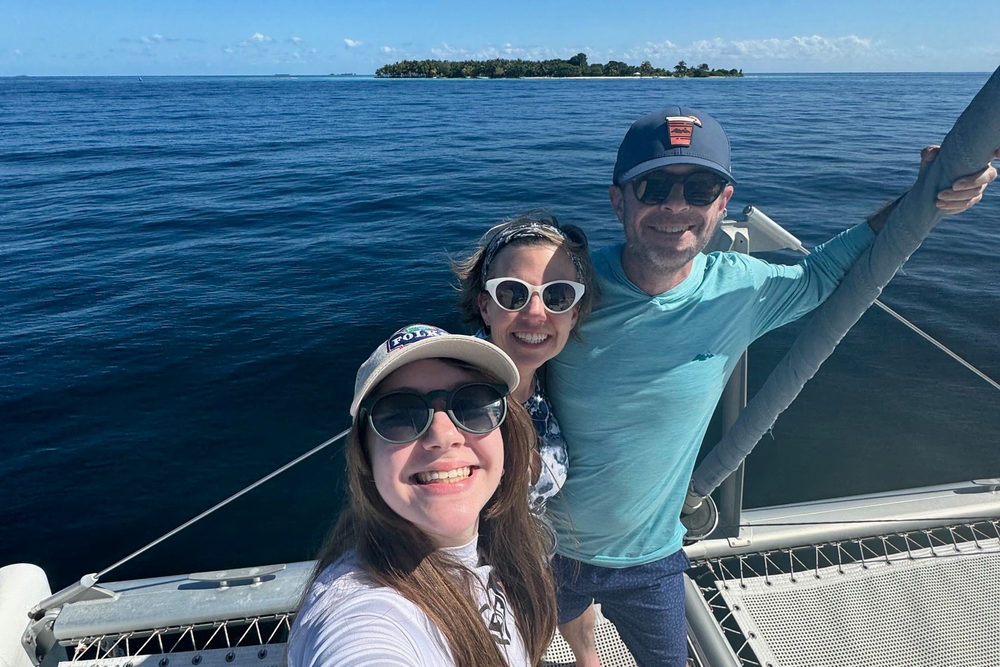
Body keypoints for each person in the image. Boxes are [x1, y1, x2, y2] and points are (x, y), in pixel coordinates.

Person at [542, 107, 1000, 667]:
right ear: (619, 201)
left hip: (651, 555)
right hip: (543, 544)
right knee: (557, 637)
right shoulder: (567, 287)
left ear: (723, 202)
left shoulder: (743, 289)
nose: (675, 207)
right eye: (654, 187)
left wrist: (927, 192)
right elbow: (494, 341)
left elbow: (824, 273)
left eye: (700, 188)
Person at [288, 324, 557, 667]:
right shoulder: (362, 611)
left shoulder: (501, 545)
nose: (444, 436)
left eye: (473, 403)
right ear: (366, 456)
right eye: (401, 414)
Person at [452, 211, 601, 663]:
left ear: (574, 314)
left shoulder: (543, 380)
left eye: (557, 296)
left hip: (533, 569)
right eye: (513, 293)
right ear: (485, 305)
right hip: (471, 598)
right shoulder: (455, 398)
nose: (536, 312)